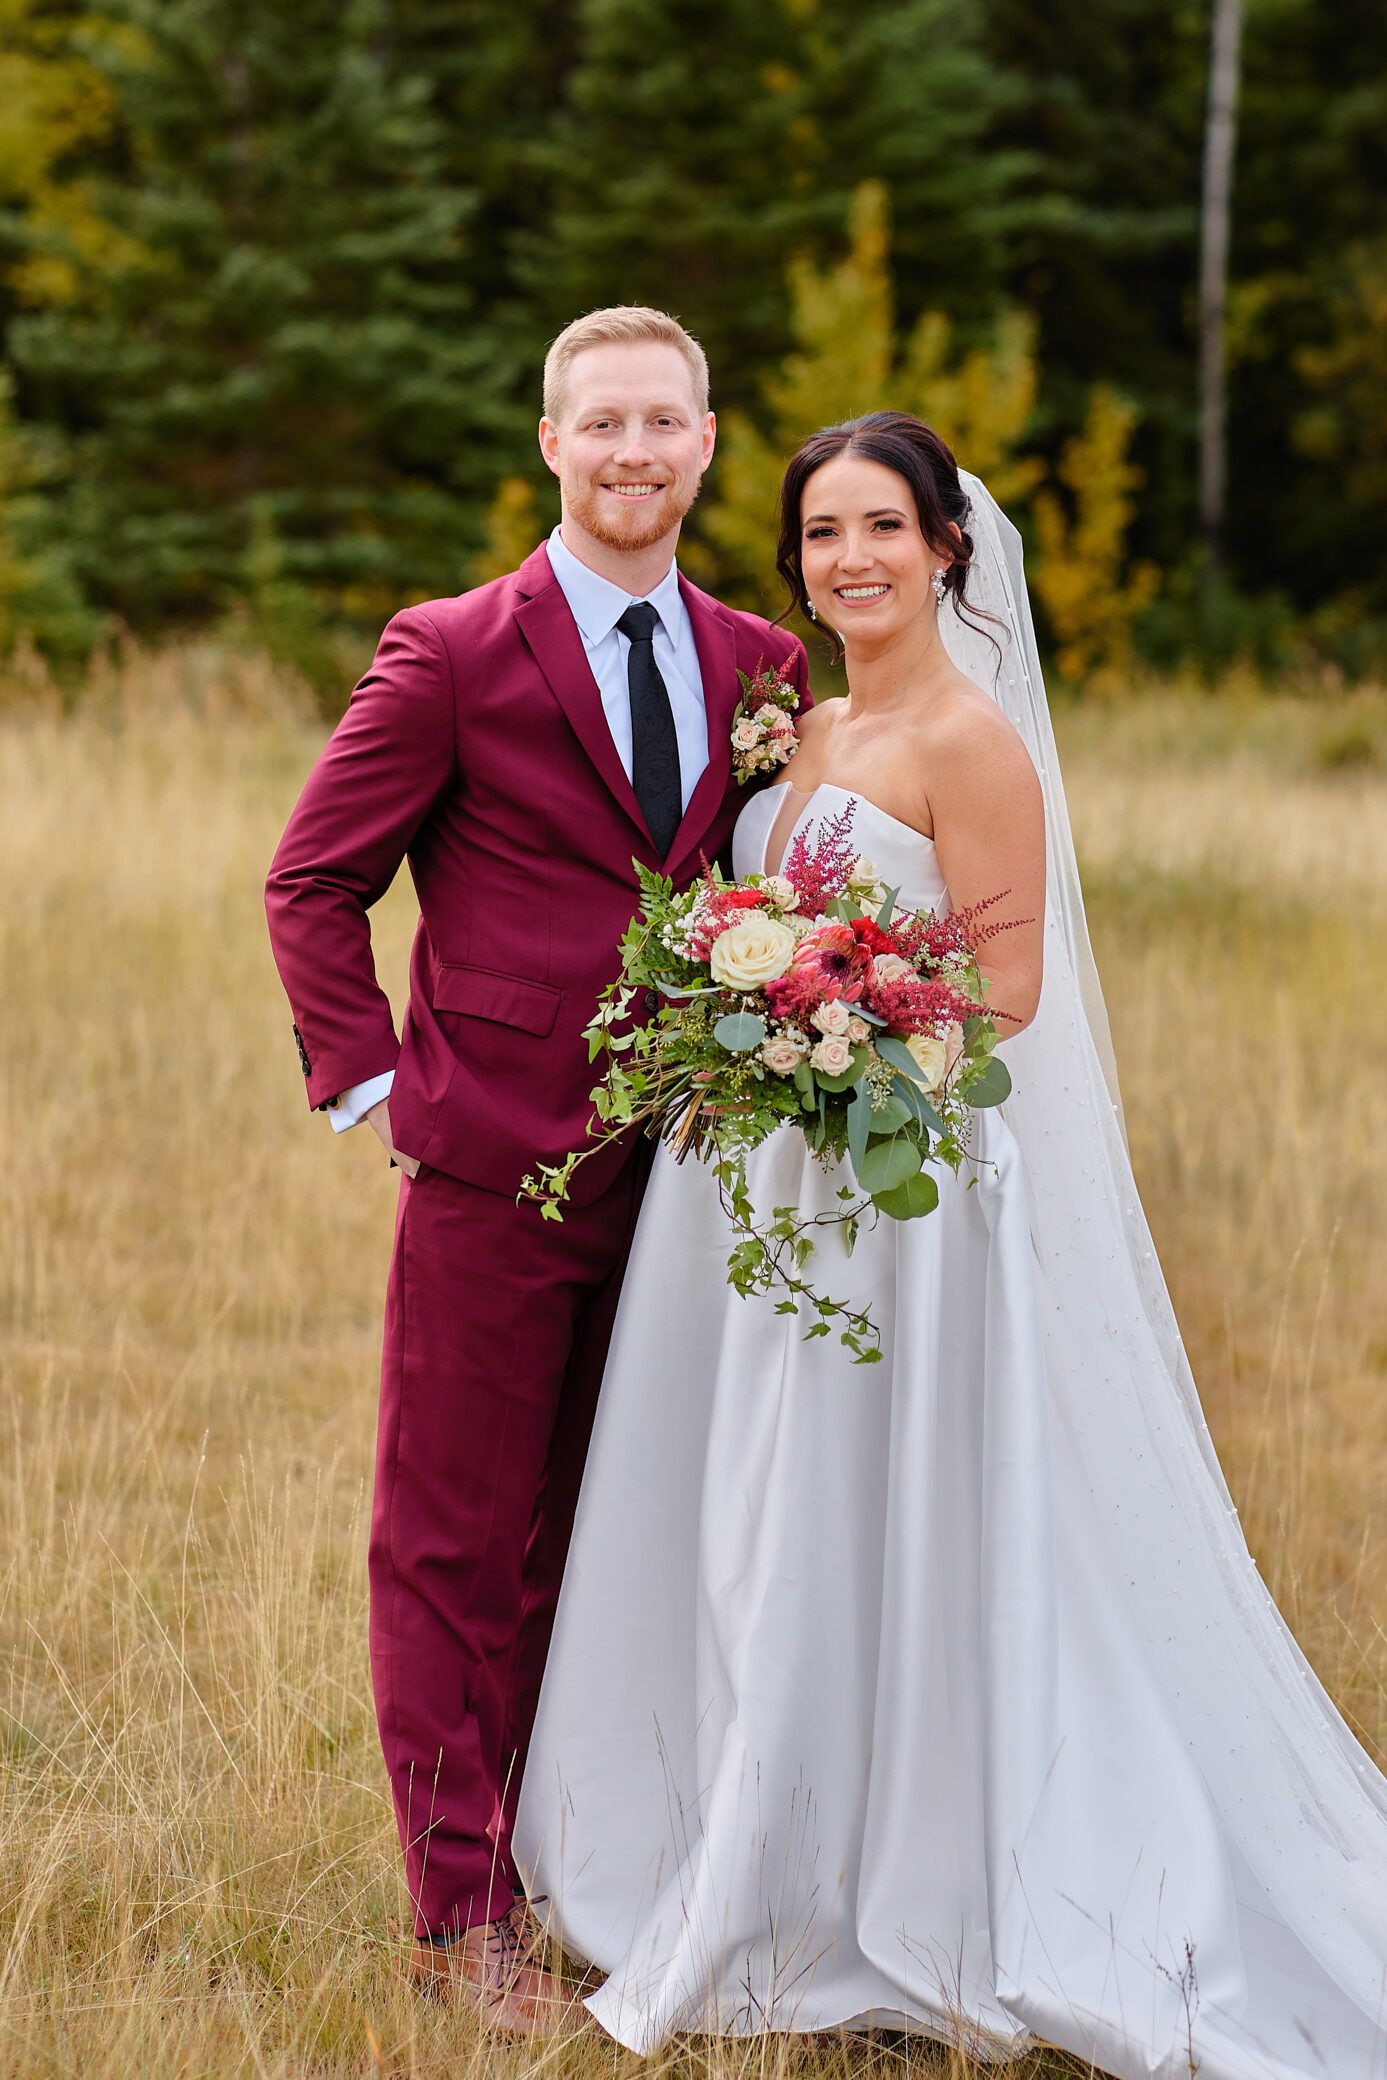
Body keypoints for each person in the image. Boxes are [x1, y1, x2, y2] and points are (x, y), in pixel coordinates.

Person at [514, 412, 1387, 2077]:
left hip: (896, 1197)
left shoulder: (973, 744)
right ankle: (751, 1836)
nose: (850, 560)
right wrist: (744, 1013)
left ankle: (914, 1868)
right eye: (822, 534)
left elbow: (1006, 991)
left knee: (873, 1503)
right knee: (767, 1506)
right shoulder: (809, 727)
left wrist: (819, 1015)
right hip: (769, 1185)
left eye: (881, 530)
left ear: (946, 549)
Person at [263, 307, 809, 2030]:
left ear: (708, 442)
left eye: (665, 422)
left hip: (697, 1183)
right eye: (604, 424)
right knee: (452, 1542)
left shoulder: (761, 668)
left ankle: (605, 1864)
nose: (635, 451)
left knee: (619, 1538)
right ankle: (460, 1913)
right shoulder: (447, 650)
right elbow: (312, 882)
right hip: (490, 1170)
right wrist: (376, 1090)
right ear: (552, 442)